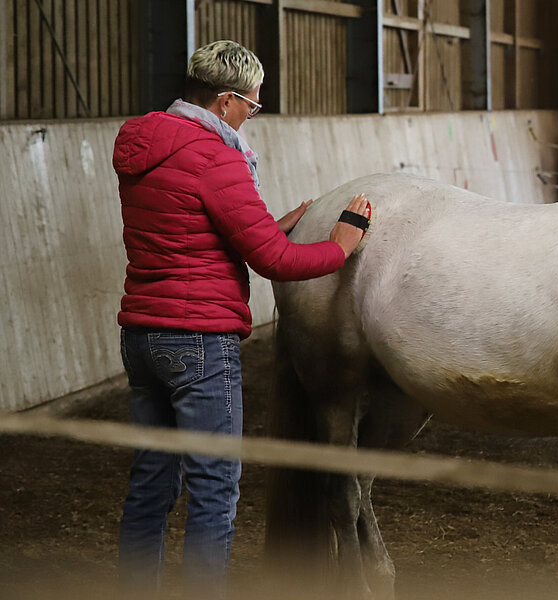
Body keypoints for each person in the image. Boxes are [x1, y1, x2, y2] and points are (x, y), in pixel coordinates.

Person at [111, 40, 369, 596]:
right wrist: (341, 245)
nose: (252, 114)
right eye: (252, 104)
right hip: (199, 341)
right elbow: (274, 261)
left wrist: (267, 224)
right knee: (214, 488)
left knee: (151, 483)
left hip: (142, 337)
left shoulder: (141, 141)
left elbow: (189, 232)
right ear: (226, 101)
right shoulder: (218, 157)